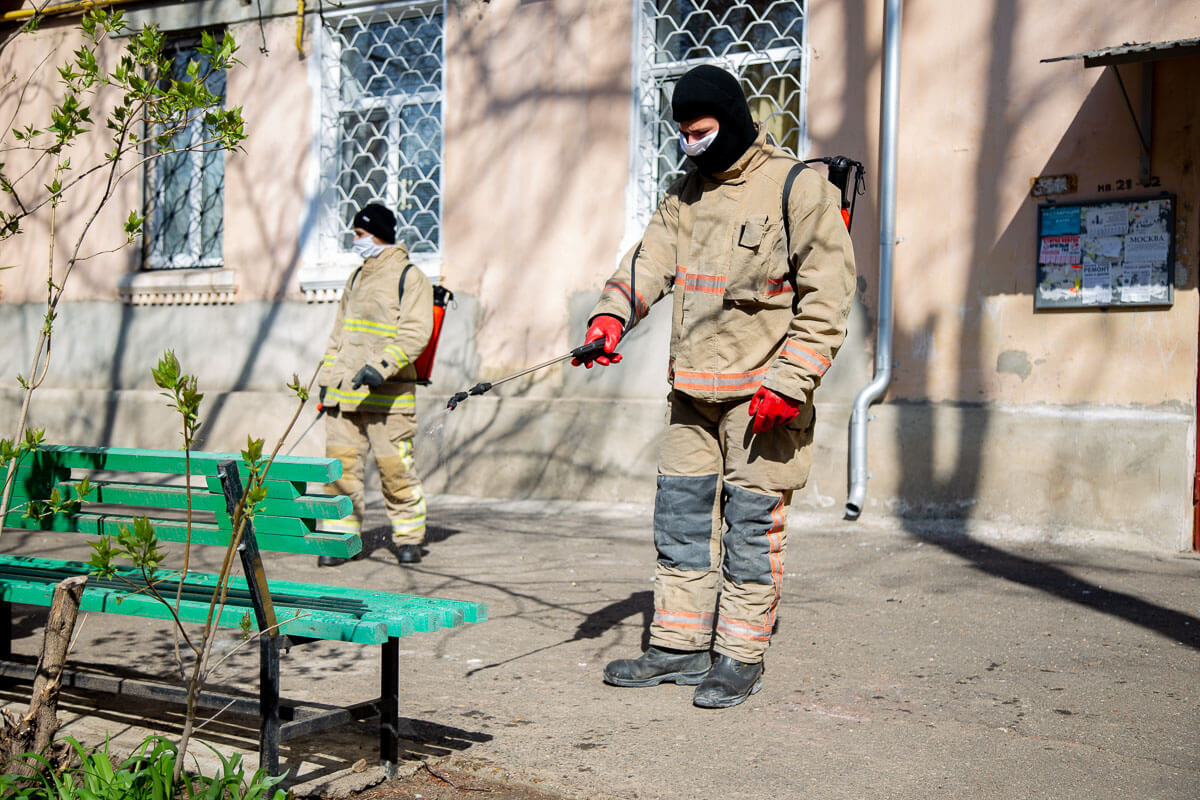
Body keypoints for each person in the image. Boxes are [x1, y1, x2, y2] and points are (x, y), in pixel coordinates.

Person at [575, 65, 856, 708]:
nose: (690, 144)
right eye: (682, 133)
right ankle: (678, 647)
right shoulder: (685, 195)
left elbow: (827, 299)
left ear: (730, 121)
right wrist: (610, 318)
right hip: (691, 394)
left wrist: (793, 379)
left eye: (700, 132)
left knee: (750, 531)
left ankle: (738, 655)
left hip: (764, 401)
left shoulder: (797, 189)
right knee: (679, 524)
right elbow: (646, 261)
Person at [316, 202, 433, 566]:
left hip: (389, 398)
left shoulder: (410, 277)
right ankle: (339, 539)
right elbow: (339, 336)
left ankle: (409, 538)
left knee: (396, 471)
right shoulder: (356, 277)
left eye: (360, 234)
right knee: (340, 473)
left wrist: (382, 367)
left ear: (378, 234)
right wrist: (326, 380)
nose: (355, 241)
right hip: (344, 397)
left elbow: (416, 333)